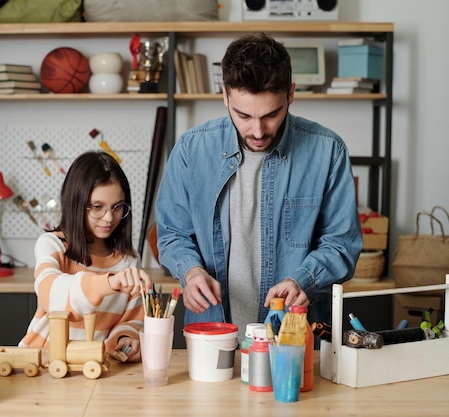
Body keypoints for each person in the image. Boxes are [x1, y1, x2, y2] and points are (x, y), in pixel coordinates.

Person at [155, 33, 362, 338]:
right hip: (211, 335)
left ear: (290, 94)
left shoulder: (327, 150)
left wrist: (302, 280)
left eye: (271, 115)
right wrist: (191, 270)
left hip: (295, 338)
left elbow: (342, 245)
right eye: (243, 115)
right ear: (225, 95)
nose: (257, 131)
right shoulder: (190, 149)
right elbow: (172, 234)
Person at [19, 151, 152, 362]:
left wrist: (127, 336)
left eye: (117, 207)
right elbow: (51, 295)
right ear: (76, 203)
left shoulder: (128, 261)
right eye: (97, 207)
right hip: (42, 362)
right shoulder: (52, 245)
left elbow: (132, 320)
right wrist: (109, 283)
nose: (109, 218)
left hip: (95, 366)